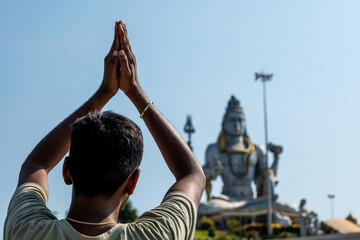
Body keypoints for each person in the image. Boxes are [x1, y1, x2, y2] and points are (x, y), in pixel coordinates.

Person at [4, 21, 206, 240]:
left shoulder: (26, 231)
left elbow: (36, 165)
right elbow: (192, 175)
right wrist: (136, 92)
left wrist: (103, 93)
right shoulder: (155, 235)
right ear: (133, 182)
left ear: (67, 170)